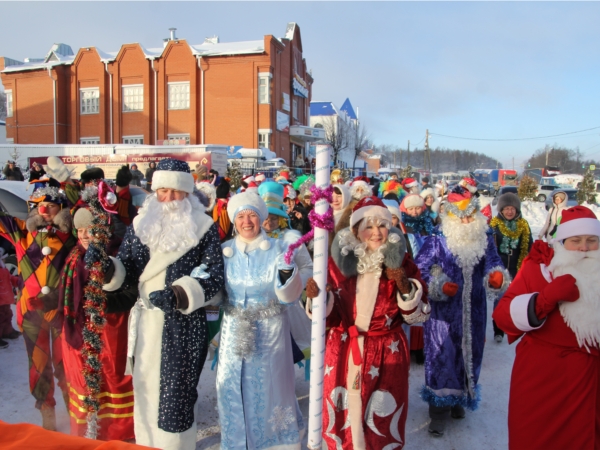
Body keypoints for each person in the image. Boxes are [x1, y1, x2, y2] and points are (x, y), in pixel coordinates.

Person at [99, 158, 225, 449]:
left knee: (175, 397)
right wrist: (108, 269)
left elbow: (214, 276)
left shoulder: (204, 228)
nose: (168, 198)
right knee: (145, 389)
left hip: (183, 325)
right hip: (146, 325)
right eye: (162, 191)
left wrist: (180, 294)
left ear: (187, 193)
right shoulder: (141, 224)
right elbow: (128, 268)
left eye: (175, 191)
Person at [307, 196, 430, 449]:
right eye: (368, 226)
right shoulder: (335, 264)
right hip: (342, 349)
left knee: (381, 422)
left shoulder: (403, 263)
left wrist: (404, 285)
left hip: (387, 353)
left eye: (382, 226)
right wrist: (318, 298)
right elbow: (328, 318)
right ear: (355, 230)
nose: (376, 233)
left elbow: (418, 316)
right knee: (341, 418)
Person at [493, 206, 600, 450]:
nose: (584, 247)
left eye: (591, 240)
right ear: (562, 241)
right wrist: (544, 300)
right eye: (576, 240)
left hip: (591, 379)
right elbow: (502, 317)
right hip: (544, 378)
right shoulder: (539, 268)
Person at [414, 184, 509, 437]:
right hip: (443, 315)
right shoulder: (437, 239)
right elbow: (420, 269)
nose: (466, 221)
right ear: (450, 217)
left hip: (474, 311)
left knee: (471, 353)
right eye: (461, 216)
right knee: (443, 357)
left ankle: (459, 400)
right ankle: (438, 413)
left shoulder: (485, 237)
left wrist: (496, 275)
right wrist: (439, 285)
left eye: (470, 215)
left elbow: (494, 261)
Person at [217, 192, 305, 449]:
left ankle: (276, 443)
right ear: (234, 220)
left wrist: (288, 277)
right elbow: (216, 294)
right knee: (231, 386)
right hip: (234, 329)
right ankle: (235, 442)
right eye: (241, 216)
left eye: (252, 215)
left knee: (271, 387)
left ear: (262, 217)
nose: (247, 221)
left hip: (270, 331)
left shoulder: (278, 250)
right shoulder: (225, 252)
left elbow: (288, 296)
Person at [56, 196, 137, 440]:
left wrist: (103, 303)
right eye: (80, 230)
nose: (83, 235)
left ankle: (118, 434)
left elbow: (127, 292)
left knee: (112, 379)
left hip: (109, 332)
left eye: (89, 229)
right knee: (82, 383)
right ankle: (86, 433)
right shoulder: (72, 256)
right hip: (76, 333)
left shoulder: (115, 251)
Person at [0, 184, 76, 430]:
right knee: (38, 364)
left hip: (62, 310)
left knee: (67, 363)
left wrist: (73, 189)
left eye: (51, 205)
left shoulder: (73, 233)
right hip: (31, 312)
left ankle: (75, 411)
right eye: (38, 205)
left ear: (62, 209)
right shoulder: (21, 231)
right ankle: (47, 412)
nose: (44, 210)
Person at [489, 192, 532, 342]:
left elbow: (529, 247)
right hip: (499, 270)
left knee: (517, 300)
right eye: (506, 208)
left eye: (512, 208)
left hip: (517, 268)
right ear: (501, 210)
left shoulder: (523, 226)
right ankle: (498, 330)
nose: (509, 211)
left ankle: (515, 326)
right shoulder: (494, 226)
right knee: (500, 300)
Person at [0, 249, 20, 348]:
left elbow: (10, 278)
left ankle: (7, 332)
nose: (4, 261)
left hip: (6, 301)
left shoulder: (4, 270)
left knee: (7, 316)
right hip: (1, 300)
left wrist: (18, 281)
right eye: (3, 259)